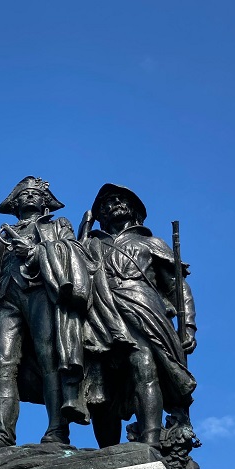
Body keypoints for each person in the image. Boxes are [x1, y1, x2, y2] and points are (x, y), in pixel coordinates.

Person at [80, 184, 197, 449]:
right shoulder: (90, 244)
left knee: (143, 365)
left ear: (134, 210)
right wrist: (82, 235)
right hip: (99, 315)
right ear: (101, 214)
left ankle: (150, 442)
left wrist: (187, 326)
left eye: (122, 200)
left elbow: (177, 288)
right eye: (108, 203)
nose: (115, 204)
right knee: (100, 387)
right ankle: (108, 451)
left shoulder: (151, 243)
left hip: (142, 309)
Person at [0, 176, 95, 447]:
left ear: (45, 202)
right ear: (15, 203)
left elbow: (73, 251)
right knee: (1, 364)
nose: (30, 197)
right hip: (5, 298)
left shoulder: (58, 224)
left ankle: (57, 429)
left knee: (50, 358)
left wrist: (34, 251)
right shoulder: (5, 233)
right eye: (24, 194)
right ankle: (2, 434)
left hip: (41, 292)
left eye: (35, 194)